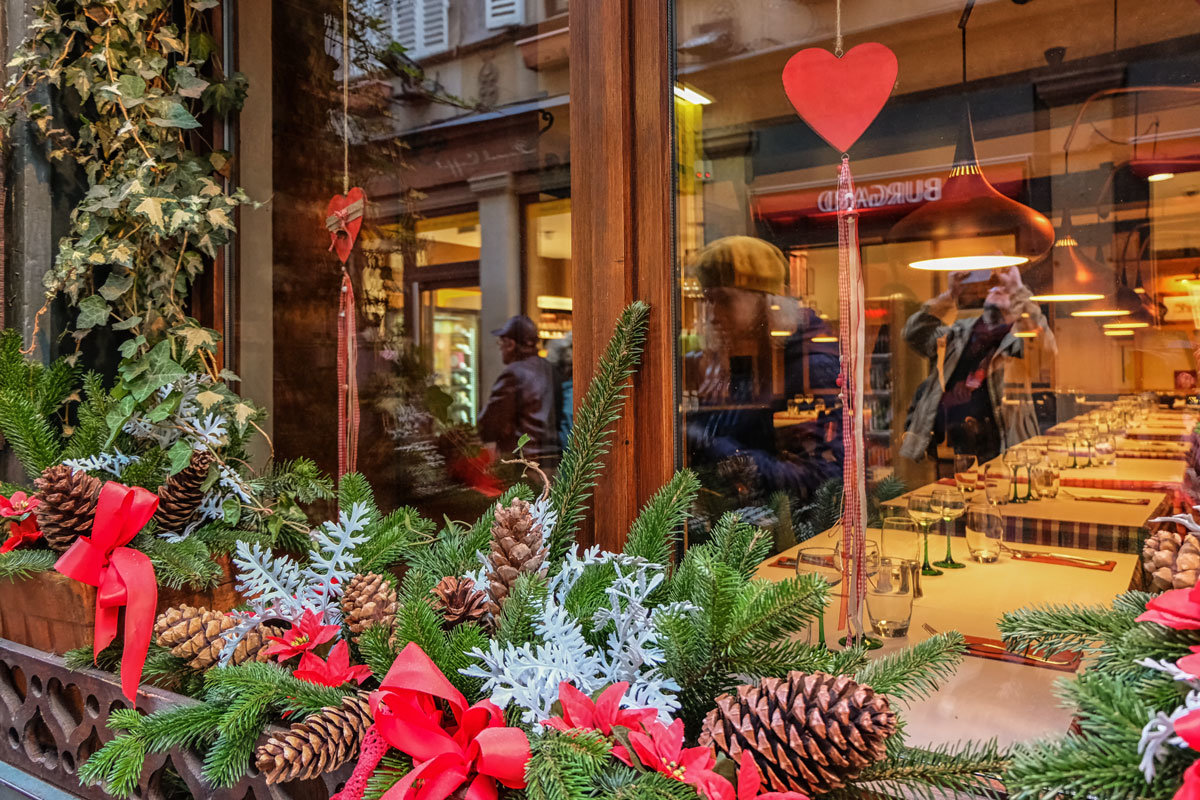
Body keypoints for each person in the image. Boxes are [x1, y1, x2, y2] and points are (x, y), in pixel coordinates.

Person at [901, 265, 1056, 464]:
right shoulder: (959, 331)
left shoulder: (1021, 336)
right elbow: (913, 335)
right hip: (949, 444)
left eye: (1005, 289)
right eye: (992, 287)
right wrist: (949, 296)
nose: (997, 289)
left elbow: (1048, 350)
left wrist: (1019, 289)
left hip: (1003, 443)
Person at [477, 314, 561, 464]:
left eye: (501, 342)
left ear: (510, 344)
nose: (500, 348)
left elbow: (489, 426)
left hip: (522, 463)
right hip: (552, 461)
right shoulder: (550, 369)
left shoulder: (513, 373)